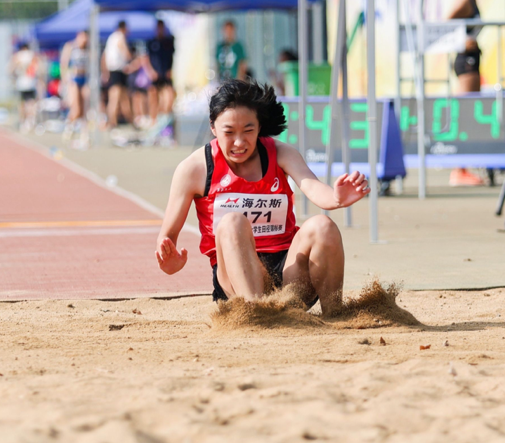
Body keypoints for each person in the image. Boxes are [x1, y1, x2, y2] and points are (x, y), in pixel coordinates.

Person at [154, 79, 369, 313]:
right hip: (235, 282)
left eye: (248, 131)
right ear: (213, 127)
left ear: (259, 127)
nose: (239, 142)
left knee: (323, 225)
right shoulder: (194, 168)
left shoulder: (280, 153)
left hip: (288, 274)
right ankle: (256, 315)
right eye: (229, 132)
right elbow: (167, 238)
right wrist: (169, 263)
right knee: (232, 222)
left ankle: (335, 313)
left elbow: (312, 186)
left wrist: (336, 199)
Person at [447, 0, 487, 187]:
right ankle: (458, 170)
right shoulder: (463, 0)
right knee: (465, 113)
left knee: (470, 112)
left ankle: (464, 167)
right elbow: (444, 25)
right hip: (465, 61)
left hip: (472, 60)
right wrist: (463, 41)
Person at [102, 20, 132, 129]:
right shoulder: (119, 36)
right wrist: (131, 59)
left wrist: (105, 72)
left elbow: (104, 56)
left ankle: (129, 120)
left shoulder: (110, 38)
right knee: (115, 97)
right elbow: (124, 50)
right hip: (118, 70)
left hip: (112, 70)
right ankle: (112, 122)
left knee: (122, 97)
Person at [147, 19, 176, 128]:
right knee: (153, 95)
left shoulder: (168, 42)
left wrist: (170, 70)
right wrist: (151, 71)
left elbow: (171, 57)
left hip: (165, 73)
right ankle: (153, 119)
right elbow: (147, 58)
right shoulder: (151, 42)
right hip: (155, 74)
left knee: (168, 96)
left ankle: (164, 118)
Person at [60, 30, 89, 139]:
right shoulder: (70, 47)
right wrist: (65, 81)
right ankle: (69, 127)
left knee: (85, 108)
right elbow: (64, 64)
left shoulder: (89, 49)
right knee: (76, 108)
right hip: (73, 79)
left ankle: (84, 132)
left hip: (85, 79)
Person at [8, 43, 41, 133]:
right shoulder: (32, 55)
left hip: (22, 82)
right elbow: (37, 69)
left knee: (22, 104)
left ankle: (23, 122)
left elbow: (11, 69)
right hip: (31, 82)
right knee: (31, 103)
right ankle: (30, 121)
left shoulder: (18, 56)